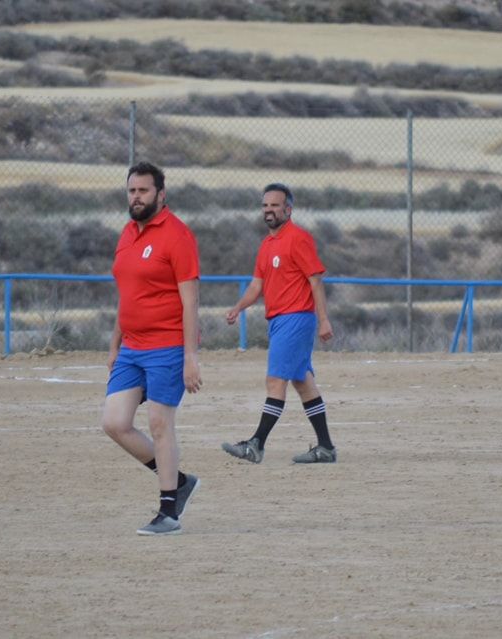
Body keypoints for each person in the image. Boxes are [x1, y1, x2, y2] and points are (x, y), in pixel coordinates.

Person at [101, 161, 202, 536]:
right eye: (131, 191)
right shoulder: (127, 234)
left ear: (161, 194)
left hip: (167, 345)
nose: (136, 197)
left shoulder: (177, 235)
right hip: (132, 347)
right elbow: (126, 296)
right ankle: (180, 481)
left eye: (143, 191)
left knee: (160, 424)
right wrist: (115, 344)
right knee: (114, 423)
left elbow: (190, 301)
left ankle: (168, 513)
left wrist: (190, 357)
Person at [222, 183, 336, 464]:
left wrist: (323, 320)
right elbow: (256, 286)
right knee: (303, 383)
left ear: (288, 209)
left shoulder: (298, 238)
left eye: (275, 205)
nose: (269, 210)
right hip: (279, 321)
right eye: (265, 205)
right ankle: (326, 448)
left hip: (296, 319)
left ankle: (256, 444)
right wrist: (238, 307)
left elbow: (315, 280)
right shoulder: (267, 245)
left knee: (275, 380)